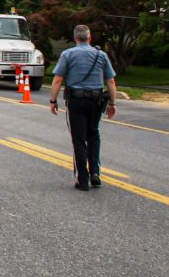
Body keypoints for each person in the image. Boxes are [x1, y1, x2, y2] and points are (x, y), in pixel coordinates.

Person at [49, 25, 118, 191]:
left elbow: (58, 80)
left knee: (79, 139)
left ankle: (83, 179)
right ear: (89, 37)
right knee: (93, 134)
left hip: (76, 101)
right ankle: (95, 172)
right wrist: (112, 104)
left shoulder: (68, 54)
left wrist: (53, 100)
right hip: (96, 100)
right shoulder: (101, 55)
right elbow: (111, 81)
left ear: (75, 38)